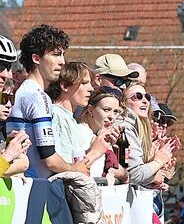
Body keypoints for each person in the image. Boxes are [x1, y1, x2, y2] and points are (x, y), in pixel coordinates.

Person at [9, 25, 111, 178]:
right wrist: (75, 169)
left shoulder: (28, 92)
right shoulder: (36, 96)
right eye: (56, 55)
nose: (62, 61)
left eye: (63, 55)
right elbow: (49, 159)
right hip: (36, 185)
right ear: (36, 58)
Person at [77, 88, 129, 182]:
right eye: (106, 110)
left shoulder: (103, 135)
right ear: (90, 110)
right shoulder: (80, 132)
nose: (111, 116)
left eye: (115, 111)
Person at [0, 79, 32, 178]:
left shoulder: (3, 127)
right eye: (4, 99)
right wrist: (9, 154)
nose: (9, 105)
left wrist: (11, 145)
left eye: (12, 100)